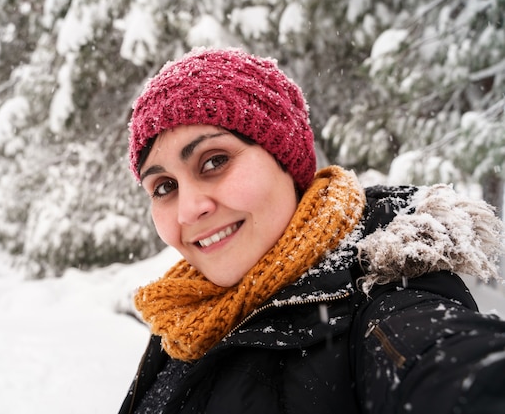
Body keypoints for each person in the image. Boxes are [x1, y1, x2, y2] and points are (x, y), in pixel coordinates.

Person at [117, 47, 505, 414]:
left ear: (286, 161)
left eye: (214, 161)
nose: (188, 210)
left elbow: (449, 367)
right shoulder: (182, 318)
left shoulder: (384, 299)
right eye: (164, 187)